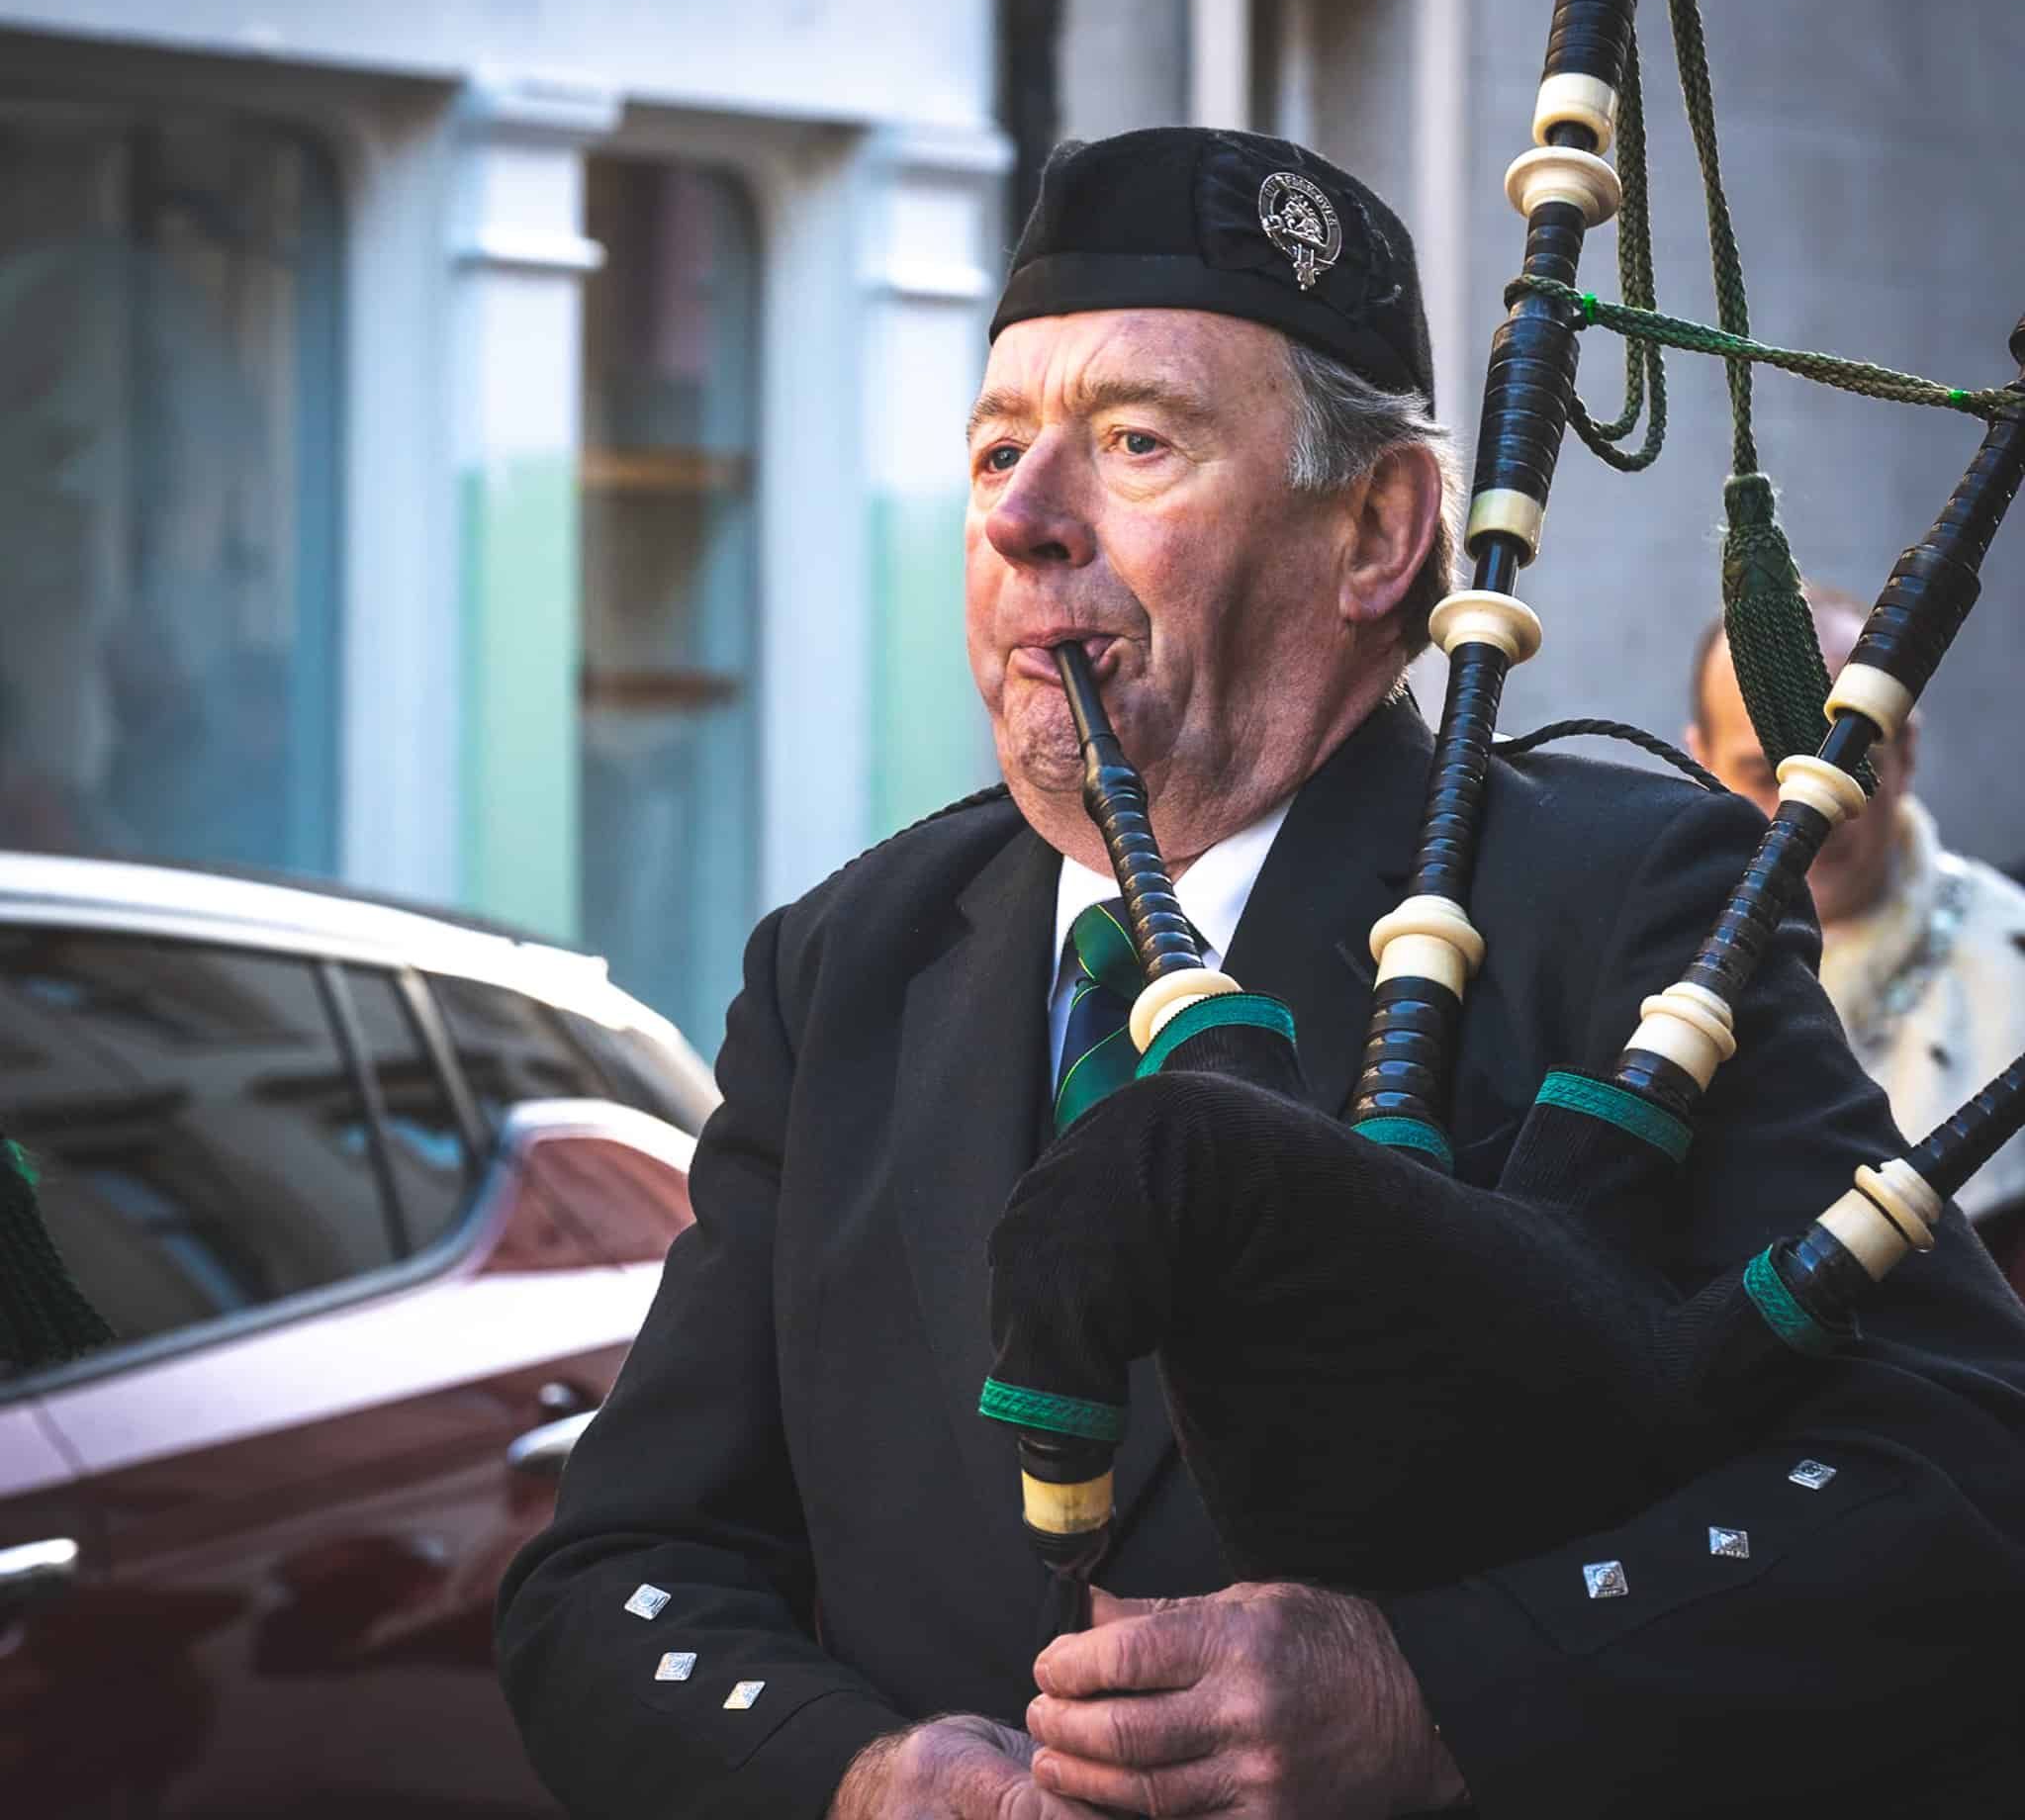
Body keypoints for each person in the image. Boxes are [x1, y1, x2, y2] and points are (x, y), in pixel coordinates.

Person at [497, 130, 2025, 1819]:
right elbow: (617, 1573)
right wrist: (865, 1776)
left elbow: (1961, 1474)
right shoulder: (844, 964)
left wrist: (1435, 1693)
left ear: (1376, 530)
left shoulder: (1624, 910)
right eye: (996, 448)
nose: (1020, 518)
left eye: (1134, 441)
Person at [1689, 589, 2025, 1268]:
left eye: (1854, 762)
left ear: (1906, 754)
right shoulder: (1645, 966)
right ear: (1702, 763)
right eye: (1766, 773)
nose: (1817, 806)